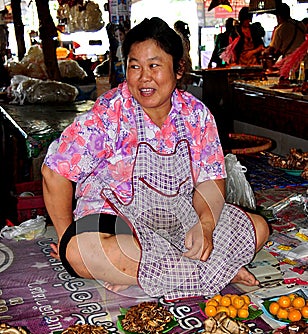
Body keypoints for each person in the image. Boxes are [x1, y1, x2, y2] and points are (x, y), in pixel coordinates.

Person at [41, 17, 269, 302]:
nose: (143, 77)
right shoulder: (109, 113)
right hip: (116, 222)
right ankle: (217, 270)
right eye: (134, 66)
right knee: (79, 253)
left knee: (257, 228)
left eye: (154, 65)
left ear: (178, 69)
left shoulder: (196, 115)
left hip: (177, 222)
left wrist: (206, 226)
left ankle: (152, 272)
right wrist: (65, 238)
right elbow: (54, 173)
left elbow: (210, 180)